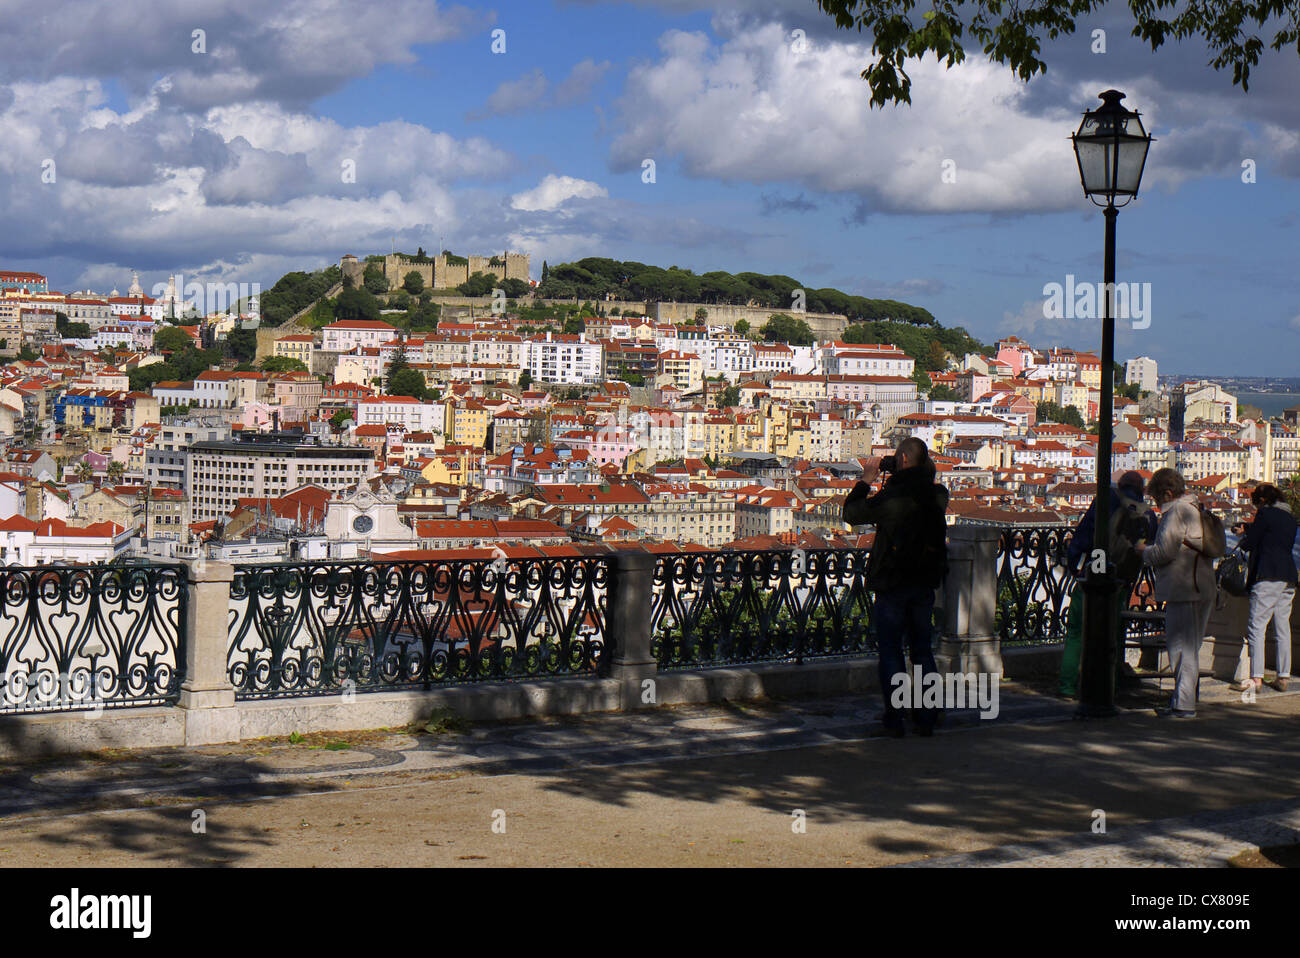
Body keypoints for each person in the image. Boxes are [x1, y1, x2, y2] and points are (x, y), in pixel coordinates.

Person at [842, 437, 949, 737]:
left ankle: (895, 717)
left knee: (891, 652)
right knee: (922, 652)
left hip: (893, 581)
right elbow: (931, 486)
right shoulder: (937, 495)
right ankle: (926, 717)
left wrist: (866, 480)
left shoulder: (893, 499)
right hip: (925, 581)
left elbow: (852, 514)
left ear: (901, 459)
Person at [1058, 471, 1159, 697]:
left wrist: (1074, 565)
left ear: (1120, 485)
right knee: (1111, 637)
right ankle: (1107, 686)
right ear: (1142, 490)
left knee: (1076, 633)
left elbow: (1083, 536)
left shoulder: (1105, 502)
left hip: (1093, 573)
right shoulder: (1148, 515)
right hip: (1121, 581)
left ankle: (1067, 686)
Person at [1135, 468, 1215, 718]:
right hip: (1203, 585)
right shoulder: (1196, 509)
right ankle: (1183, 702)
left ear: (1167, 493)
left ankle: (1183, 706)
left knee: (1181, 649)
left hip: (1184, 587)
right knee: (1190, 647)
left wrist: (1142, 551)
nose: (1157, 506)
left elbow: (1164, 552)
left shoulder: (1177, 512)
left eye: (1158, 500)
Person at [1236, 483, 1298, 692]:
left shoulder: (1265, 514)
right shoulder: (1290, 518)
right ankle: (1283, 676)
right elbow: (1274, 537)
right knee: (1282, 627)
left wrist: (1242, 536)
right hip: (1288, 575)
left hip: (1267, 575)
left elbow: (1252, 542)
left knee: (1257, 626)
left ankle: (1256, 678)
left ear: (1262, 500)